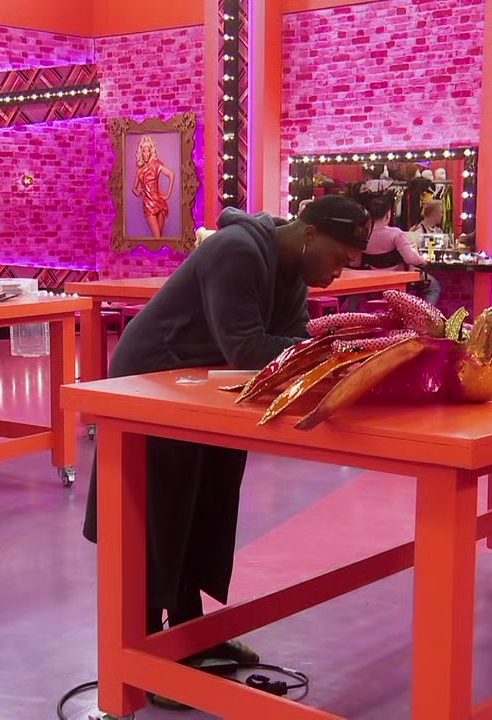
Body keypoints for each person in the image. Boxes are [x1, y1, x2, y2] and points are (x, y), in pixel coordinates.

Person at [83, 196, 369, 670]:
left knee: (205, 510)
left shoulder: (292, 273)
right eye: (339, 259)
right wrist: (334, 352)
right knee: (161, 518)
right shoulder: (236, 250)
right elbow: (249, 349)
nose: (339, 273)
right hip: (153, 382)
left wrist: (335, 353)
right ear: (309, 235)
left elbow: (291, 344)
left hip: (206, 388)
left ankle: (192, 634)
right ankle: (147, 656)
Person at [364, 197, 441, 306]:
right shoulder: (396, 234)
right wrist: (423, 261)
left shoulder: (364, 235)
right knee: (433, 287)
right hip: (399, 279)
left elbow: (356, 261)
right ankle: (426, 315)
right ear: (388, 215)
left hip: (373, 280)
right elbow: (410, 258)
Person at [132, 135, 176, 237]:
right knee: (157, 237)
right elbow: (134, 189)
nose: (146, 154)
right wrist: (139, 193)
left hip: (160, 202)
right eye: (144, 151)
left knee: (160, 237)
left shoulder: (156, 165)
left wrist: (167, 195)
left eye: (148, 151)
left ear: (151, 152)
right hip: (148, 205)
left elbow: (171, 174)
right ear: (141, 153)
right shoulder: (140, 171)